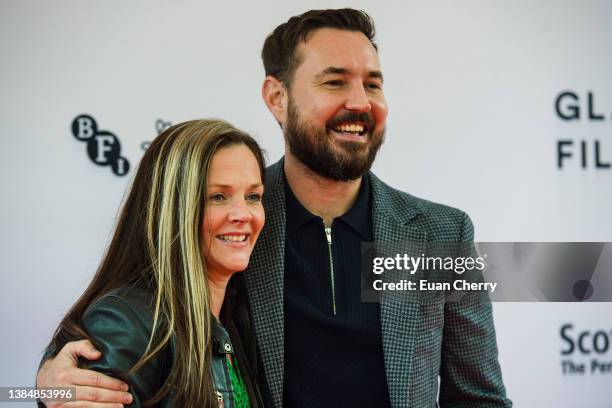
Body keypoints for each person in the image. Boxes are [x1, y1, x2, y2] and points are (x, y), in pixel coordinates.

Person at [38, 9, 512, 407]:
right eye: (334, 82)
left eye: (372, 83)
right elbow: (132, 312)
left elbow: (479, 398)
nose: (359, 101)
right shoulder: (230, 224)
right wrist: (44, 387)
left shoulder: (439, 234)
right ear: (277, 98)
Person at [39, 119, 265, 407]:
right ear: (172, 208)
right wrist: (40, 391)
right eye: (218, 196)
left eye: (253, 196)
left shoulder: (240, 311)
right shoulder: (128, 322)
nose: (243, 214)